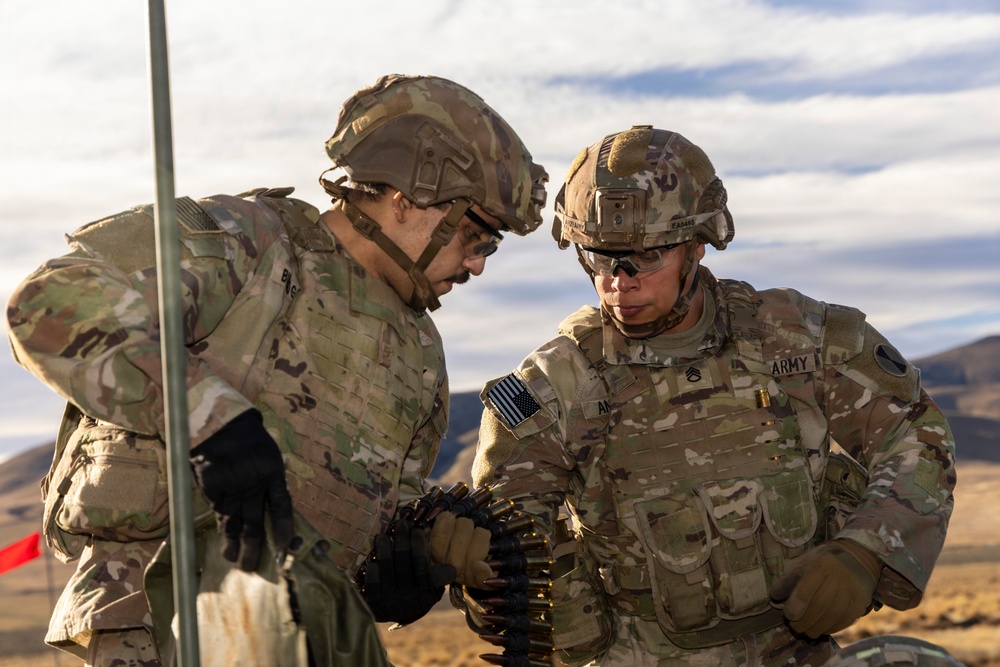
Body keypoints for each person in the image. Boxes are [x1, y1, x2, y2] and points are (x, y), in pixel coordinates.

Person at [7, 73, 548, 666]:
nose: (477, 264)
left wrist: (409, 567)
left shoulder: (419, 352)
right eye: (475, 235)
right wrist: (210, 420)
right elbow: (51, 303)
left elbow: (376, 533)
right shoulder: (250, 243)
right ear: (408, 197)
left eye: (489, 246)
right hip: (165, 622)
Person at [465, 125, 956, 666]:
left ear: (697, 245)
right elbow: (501, 539)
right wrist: (485, 574)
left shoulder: (797, 337)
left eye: (646, 257)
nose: (619, 282)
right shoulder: (552, 385)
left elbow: (916, 433)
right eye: (599, 257)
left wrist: (865, 550)